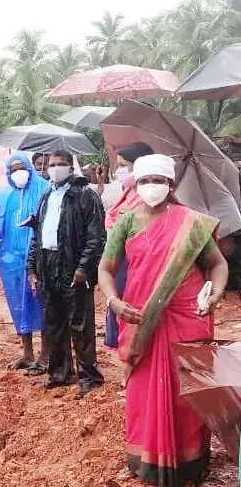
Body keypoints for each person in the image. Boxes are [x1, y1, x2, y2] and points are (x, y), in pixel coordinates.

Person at [98, 154, 228, 487]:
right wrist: (114, 301)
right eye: (144, 180)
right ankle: (145, 460)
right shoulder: (126, 222)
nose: (151, 186)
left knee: (189, 392)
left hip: (187, 318)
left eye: (158, 180)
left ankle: (191, 462)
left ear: (170, 185)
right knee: (143, 392)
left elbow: (217, 264)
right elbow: (106, 269)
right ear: (136, 184)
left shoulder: (191, 223)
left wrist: (215, 295)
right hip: (141, 320)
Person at [26, 150, 106, 397]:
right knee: (54, 322)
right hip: (49, 264)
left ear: (71, 168)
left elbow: (96, 237)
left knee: (80, 323)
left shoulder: (85, 195)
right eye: (52, 164)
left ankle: (89, 376)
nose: (55, 168)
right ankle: (60, 372)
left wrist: (84, 267)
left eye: (61, 164)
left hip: (74, 264)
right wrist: (32, 267)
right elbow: (37, 235)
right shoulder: (46, 196)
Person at [0, 153, 50, 372]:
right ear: (8, 173)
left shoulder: (44, 189)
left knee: (42, 304)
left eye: (21, 168)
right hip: (11, 260)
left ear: (29, 168)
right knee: (17, 304)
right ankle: (27, 353)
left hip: (39, 258)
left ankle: (46, 354)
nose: (18, 173)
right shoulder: (3, 196)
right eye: (13, 170)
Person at [99, 143, 155, 348]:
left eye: (123, 165)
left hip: (136, 266)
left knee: (135, 319)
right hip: (118, 263)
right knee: (120, 313)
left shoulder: (148, 199)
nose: (118, 170)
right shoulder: (126, 193)